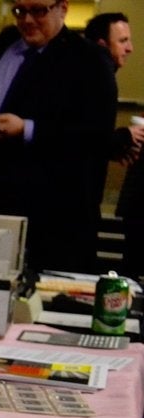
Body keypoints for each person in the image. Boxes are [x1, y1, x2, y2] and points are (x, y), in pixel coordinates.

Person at [0, 0, 119, 274]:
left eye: (38, 10)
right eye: (19, 10)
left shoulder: (90, 60)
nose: (27, 20)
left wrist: (26, 129)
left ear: (63, 8)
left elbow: (95, 137)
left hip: (52, 223)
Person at [86, 12, 144, 269]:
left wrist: (116, 145)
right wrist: (121, 138)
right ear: (101, 45)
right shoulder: (95, 76)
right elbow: (82, 137)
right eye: (123, 41)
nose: (130, 48)